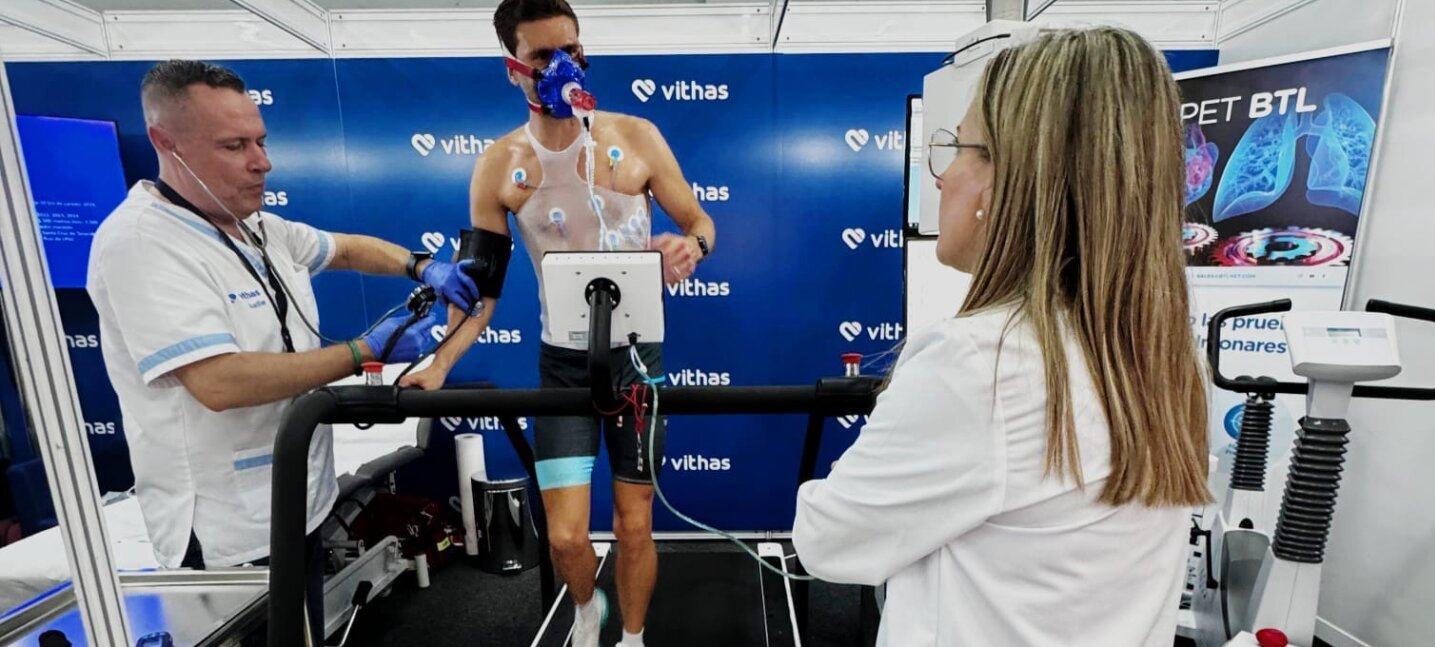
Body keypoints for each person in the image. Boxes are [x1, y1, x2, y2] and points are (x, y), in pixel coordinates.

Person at [792, 27, 1211, 646]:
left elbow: (828, 541)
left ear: (1008, 178)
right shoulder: (1158, 355)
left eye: (959, 147)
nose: (941, 177)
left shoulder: (981, 365)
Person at [86, 59, 479, 644]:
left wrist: (420, 265)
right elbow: (219, 383)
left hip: (297, 496)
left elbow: (343, 248)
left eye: (261, 141)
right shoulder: (142, 243)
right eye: (234, 145)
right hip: (229, 527)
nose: (261, 162)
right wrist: (365, 350)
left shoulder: (251, 225)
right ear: (167, 144)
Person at [399, 1, 717, 644]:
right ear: (513, 69)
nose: (561, 66)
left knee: (634, 524)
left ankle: (632, 636)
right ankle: (584, 607)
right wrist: (439, 365)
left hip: (637, 361)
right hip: (563, 364)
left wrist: (693, 247)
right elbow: (481, 289)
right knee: (569, 534)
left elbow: (700, 224)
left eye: (570, 49)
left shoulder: (637, 138)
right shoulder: (498, 165)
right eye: (543, 56)